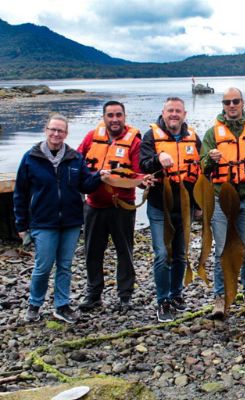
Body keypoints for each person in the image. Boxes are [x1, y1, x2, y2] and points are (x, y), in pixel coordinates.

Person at [14, 114, 107, 323]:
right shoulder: (31, 157)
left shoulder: (75, 158)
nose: (56, 134)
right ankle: (34, 304)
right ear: (46, 130)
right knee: (43, 266)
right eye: (53, 130)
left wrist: (99, 177)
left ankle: (62, 305)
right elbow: (20, 193)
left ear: (66, 134)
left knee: (65, 266)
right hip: (43, 222)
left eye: (61, 131)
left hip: (71, 222)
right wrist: (21, 224)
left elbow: (85, 185)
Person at [201, 87, 245, 318]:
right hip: (221, 200)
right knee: (221, 250)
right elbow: (202, 166)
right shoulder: (212, 133)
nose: (231, 105)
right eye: (227, 102)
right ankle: (220, 298)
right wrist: (210, 160)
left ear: (242, 103)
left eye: (235, 101)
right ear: (223, 105)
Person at [77, 101, 146, 314]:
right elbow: (77, 163)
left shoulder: (134, 142)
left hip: (122, 206)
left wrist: (146, 182)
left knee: (125, 251)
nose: (114, 119)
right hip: (94, 205)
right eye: (110, 115)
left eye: (118, 115)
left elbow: (139, 174)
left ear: (124, 117)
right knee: (92, 251)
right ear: (104, 117)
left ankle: (125, 296)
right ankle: (93, 294)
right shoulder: (91, 137)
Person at [140, 97, 202, 322]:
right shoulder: (151, 136)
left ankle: (176, 294)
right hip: (160, 205)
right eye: (170, 111)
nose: (174, 114)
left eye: (178, 111)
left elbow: (201, 173)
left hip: (185, 206)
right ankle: (163, 300)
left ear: (184, 114)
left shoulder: (193, 137)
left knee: (181, 254)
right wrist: (158, 159)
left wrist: (199, 206)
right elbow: (143, 165)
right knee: (162, 254)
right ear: (163, 113)